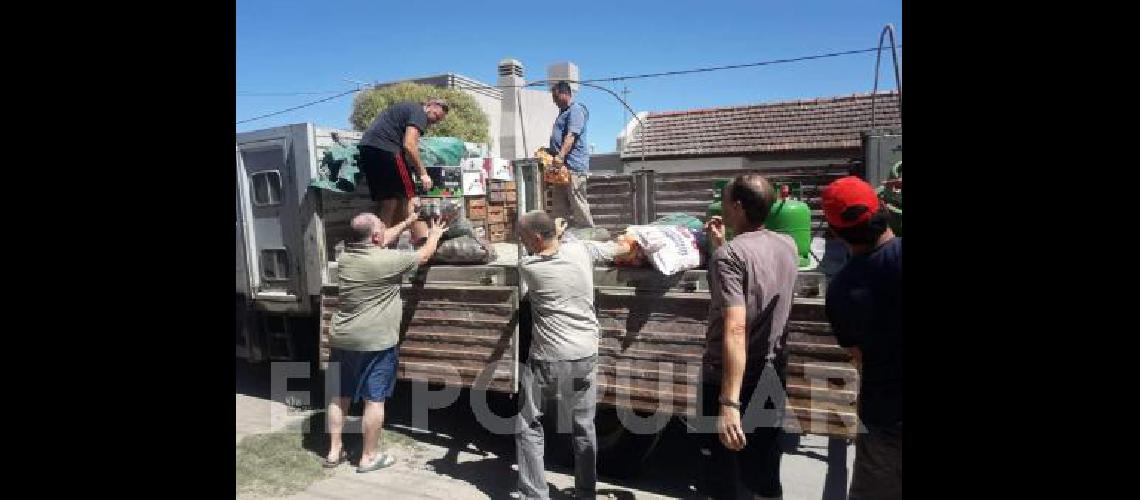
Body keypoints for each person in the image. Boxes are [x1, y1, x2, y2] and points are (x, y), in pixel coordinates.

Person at [324, 212, 448, 473]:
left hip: (343, 338)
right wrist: (435, 234)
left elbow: (381, 237)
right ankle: (368, 458)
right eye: (382, 227)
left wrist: (408, 219)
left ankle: (334, 451)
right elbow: (424, 255)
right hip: (375, 342)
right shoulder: (388, 260)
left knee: (339, 396)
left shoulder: (345, 258)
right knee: (374, 400)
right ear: (377, 237)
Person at [700, 174, 799, 500]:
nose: (722, 206)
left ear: (738, 207)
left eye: (725, 200)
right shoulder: (787, 244)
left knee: (722, 474)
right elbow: (757, 280)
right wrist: (722, 245)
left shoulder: (730, 256)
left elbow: (736, 326)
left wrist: (729, 403)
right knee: (765, 467)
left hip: (730, 377)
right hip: (773, 369)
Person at [820, 176, 902, 500]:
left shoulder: (840, 291)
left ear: (836, 233)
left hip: (885, 421)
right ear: (882, 208)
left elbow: (858, 357)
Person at [515, 211, 601, 499]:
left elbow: (537, 254)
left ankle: (534, 493)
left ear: (536, 239)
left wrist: (554, 235)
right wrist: (561, 232)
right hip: (586, 354)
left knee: (529, 423)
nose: (521, 241)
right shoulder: (581, 251)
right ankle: (586, 492)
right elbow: (567, 242)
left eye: (524, 237)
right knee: (584, 425)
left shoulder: (529, 267)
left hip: (549, 360)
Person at [357, 99, 449, 244]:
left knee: (389, 202)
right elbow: (409, 145)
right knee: (410, 199)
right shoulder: (419, 112)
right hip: (388, 151)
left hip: (368, 150)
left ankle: (380, 245)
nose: (434, 121)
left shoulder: (405, 109)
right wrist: (423, 174)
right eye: (436, 117)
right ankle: (425, 243)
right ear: (431, 105)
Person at [548, 81, 594, 228]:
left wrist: (560, 156)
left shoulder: (576, 110)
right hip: (561, 169)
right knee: (559, 208)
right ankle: (559, 239)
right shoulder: (563, 113)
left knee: (578, 205)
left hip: (573, 168)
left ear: (565, 94)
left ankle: (590, 237)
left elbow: (571, 136)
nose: (554, 101)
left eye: (556, 97)